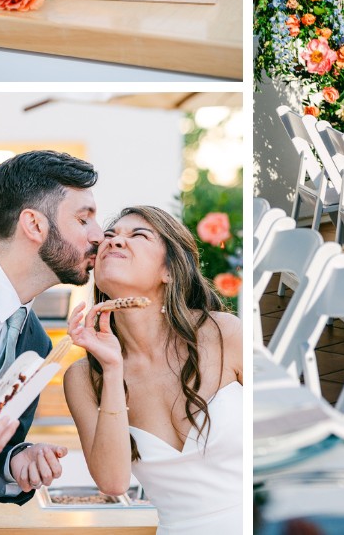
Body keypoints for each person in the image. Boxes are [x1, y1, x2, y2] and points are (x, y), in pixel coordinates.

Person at [0, 150, 103, 535]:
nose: (99, 234)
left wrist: (17, 461)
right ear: (33, 224)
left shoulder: (36, 341)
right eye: (84, 219)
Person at [64, 205, 242, 534]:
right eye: (109, 236)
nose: (115, 242)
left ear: (171, 271)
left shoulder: (225, 334)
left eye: (138, 235)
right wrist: (113, 369)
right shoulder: (84, 378)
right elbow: (113, 482)